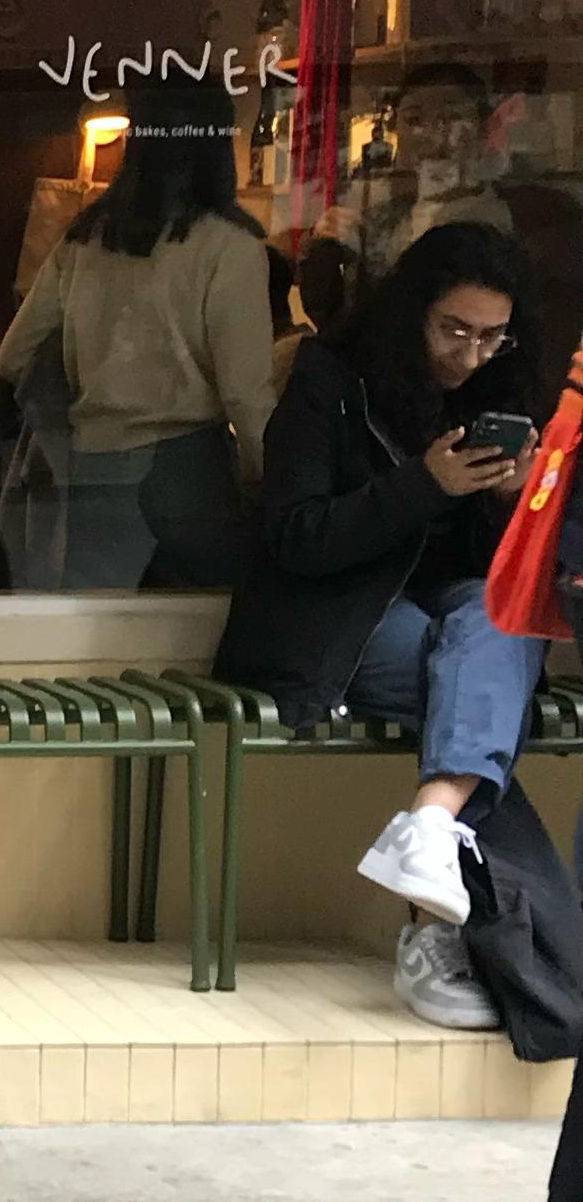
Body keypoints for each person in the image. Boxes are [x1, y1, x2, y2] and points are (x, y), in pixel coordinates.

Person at [215, 223, 544, 1035]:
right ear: (414, 311)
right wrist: (424, 484)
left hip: (452, 614)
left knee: (499, 618)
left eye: (492, 336)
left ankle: (430, 831)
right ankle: (434, 933)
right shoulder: (326, 378)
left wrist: (509, 502)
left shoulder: (497, 390)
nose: (471, 355)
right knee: (474, 690)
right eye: (455, 330)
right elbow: (298, 539)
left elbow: (490, 570)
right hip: (338, 618)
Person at [0, 65, 275, 590]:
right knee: (198, 629)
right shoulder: (229, 245)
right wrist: (284, 489)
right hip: (187, 473)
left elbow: (13, 356)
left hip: (92, 471)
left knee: (100, 633)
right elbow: (245, 395)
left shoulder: (85, 238)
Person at [304, 57, 515, 330]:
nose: (431, 135)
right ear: (396, 129)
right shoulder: (377, 206)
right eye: (414, 119)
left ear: (483, 129)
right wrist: (324, 248)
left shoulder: (493, 222)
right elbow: (334, 315)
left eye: (452, 119)